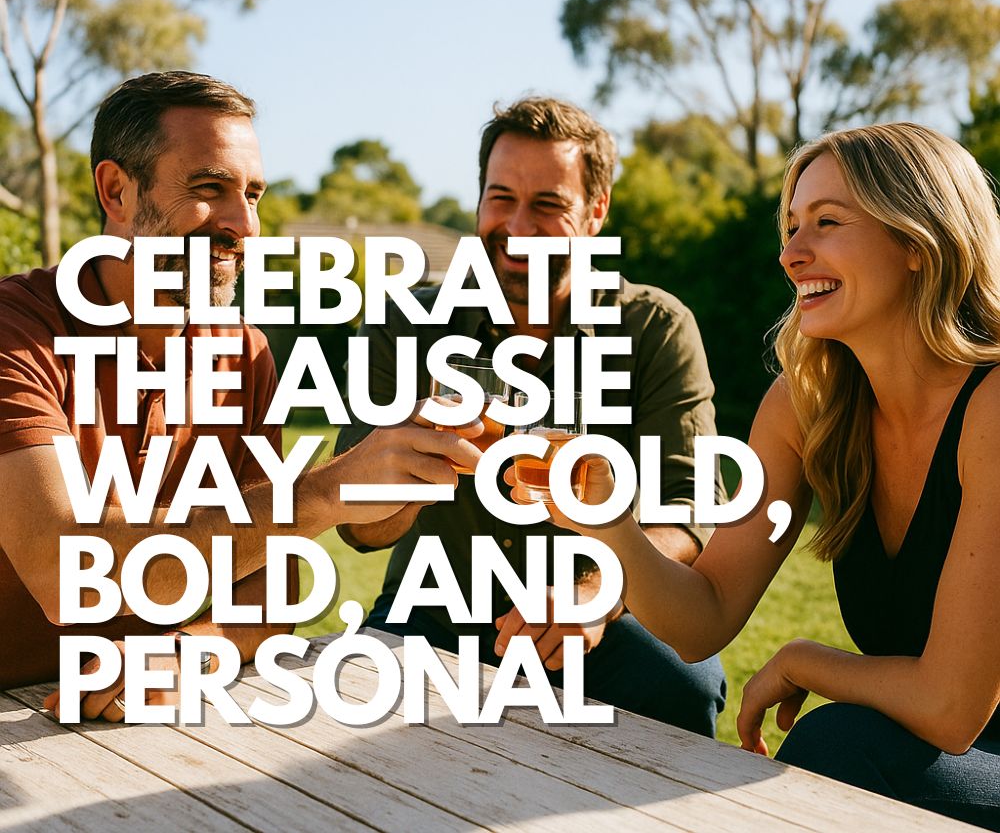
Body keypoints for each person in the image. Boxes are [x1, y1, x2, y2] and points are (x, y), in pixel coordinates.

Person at [527, 122, 1000, 828]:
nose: (790, 253)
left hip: (964, 748)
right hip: (927, 753)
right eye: (791, 225)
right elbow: (702, 619)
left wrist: (806, 661)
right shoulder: (806, 405)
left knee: (835, 746)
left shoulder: (991, 406)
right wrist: (610, 521)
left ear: (915, 243)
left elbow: (952, 708)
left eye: (827, 222)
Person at [0, 71, 481, 716]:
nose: (245, 226)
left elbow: (274, 585)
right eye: (209, 189)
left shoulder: (244, 353)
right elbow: (68, 574)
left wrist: (192, 649)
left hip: (134, 723)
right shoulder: (18, 333)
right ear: (116, 191)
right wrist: (323, 491)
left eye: (253, 194)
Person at [335, 96, 727, 736]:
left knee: (683, 685)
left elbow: (685, 511)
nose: (517, 225)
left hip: (601, 622)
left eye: (548, 205)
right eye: (500, 198)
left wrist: (594, 594)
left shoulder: (655, 327)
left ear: (596, 212)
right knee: (351, 700)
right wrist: (409, 460)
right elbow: (360, 530)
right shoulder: (407, 321)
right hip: (434, 613)